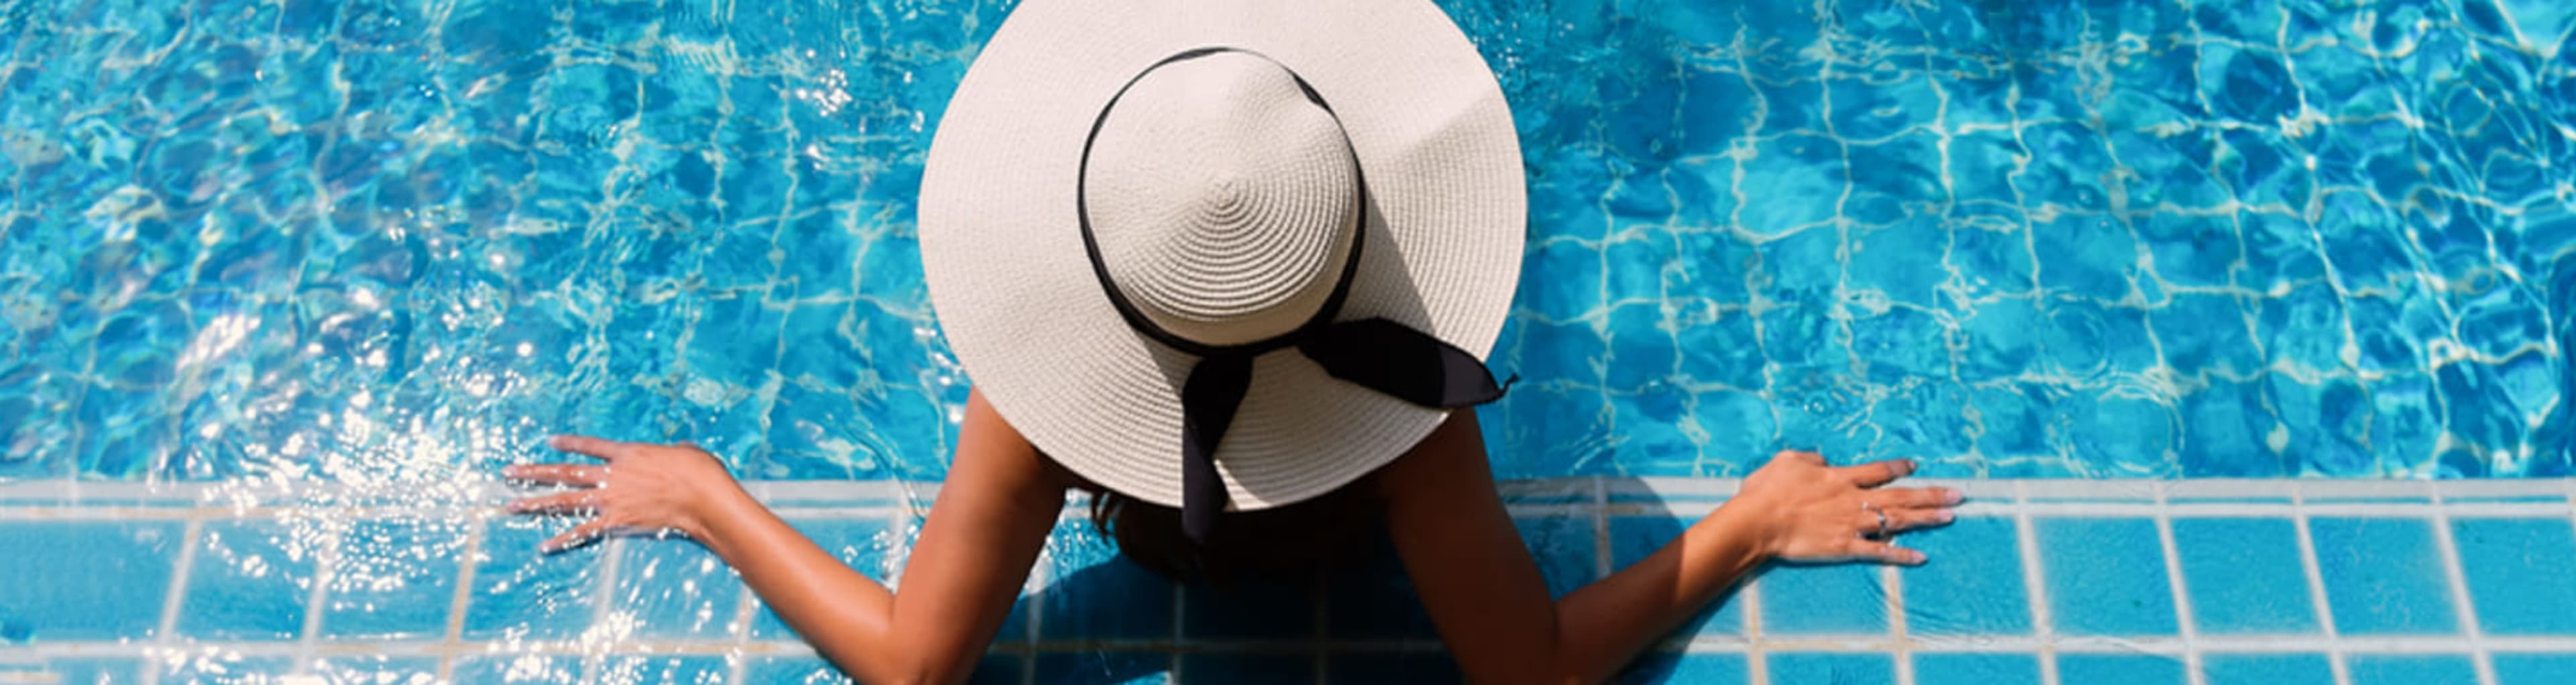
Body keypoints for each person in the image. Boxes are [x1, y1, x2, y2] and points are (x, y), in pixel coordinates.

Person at [501, 1, 1962, 682]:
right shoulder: (1412, 396)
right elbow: (1529, 670)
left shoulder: (1027, 408)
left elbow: (914, 664)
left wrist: (705, 494)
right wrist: (1752, 519)